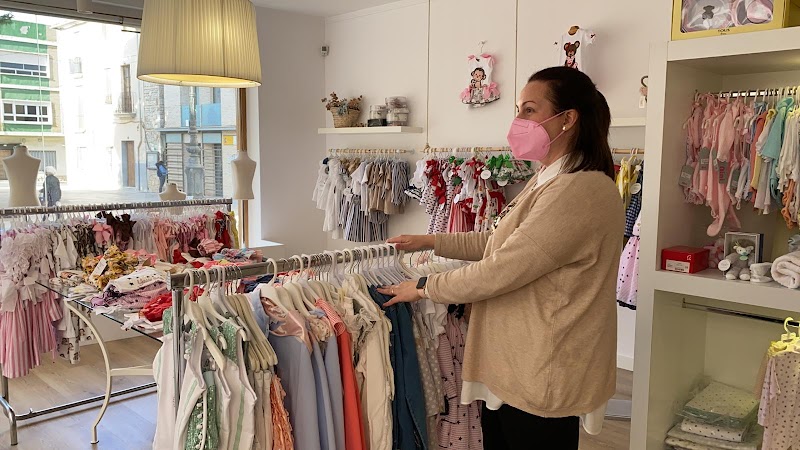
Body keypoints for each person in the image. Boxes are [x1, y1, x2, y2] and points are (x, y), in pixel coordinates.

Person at [377, 66, 624, 450]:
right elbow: (500, 243)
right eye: (518, 109)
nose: (517, 120)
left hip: (543, 367)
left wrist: (424, 286)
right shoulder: (550, 179)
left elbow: (502, 269)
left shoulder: (580, 191)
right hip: (519, 361)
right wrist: (431, 241)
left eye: (529, 109)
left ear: (567, 119)